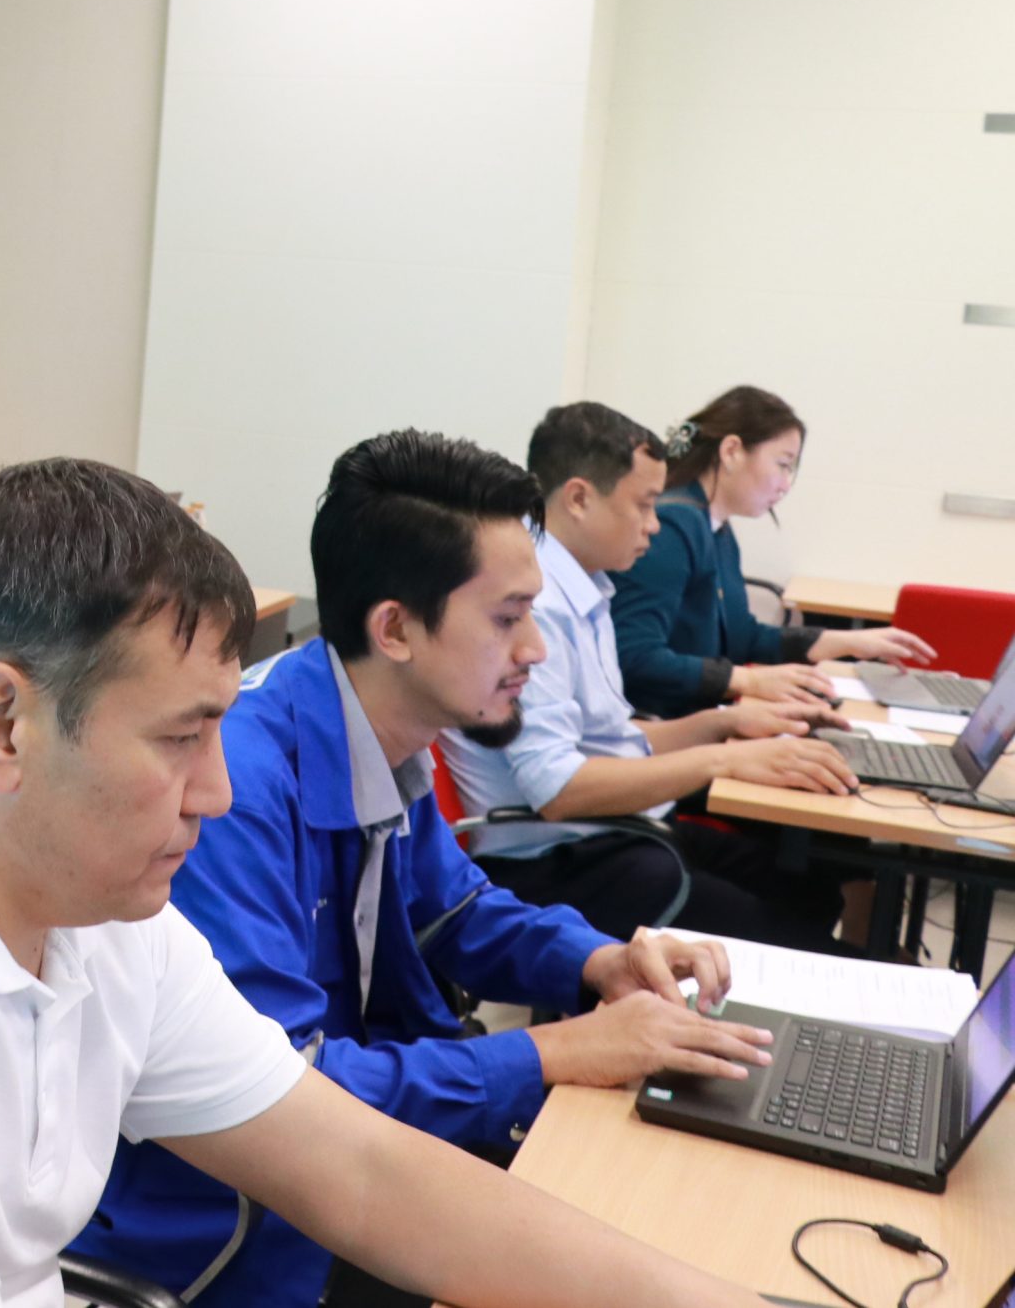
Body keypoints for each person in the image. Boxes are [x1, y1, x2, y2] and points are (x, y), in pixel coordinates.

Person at [0, 458, 772, 1308]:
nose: (218, 793)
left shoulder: (94, 908)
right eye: (181, 739)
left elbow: (360, 1174)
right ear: (2, 726)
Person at [80, 431, 772, 1308]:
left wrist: (597, 961)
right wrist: (552, 1049)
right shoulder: (238, 789)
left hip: (366, 1167)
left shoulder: (382, 731)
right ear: (396, 628)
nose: (536, 649)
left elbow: (457, 910)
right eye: (508, 617)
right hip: (254, 1230)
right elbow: (289, 1090)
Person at [440, 403, 860, 949]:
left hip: (613, 831)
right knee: (806, 942)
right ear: (579, 499)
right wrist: (723, 758)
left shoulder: (583, 586)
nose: (654, 524)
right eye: (643, 505)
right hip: (559, 859)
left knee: (812, 892)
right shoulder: (536, 605)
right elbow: (557, 789)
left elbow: (606, 738)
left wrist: (724, 724)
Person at [609, 387, 932, 719]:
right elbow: (635, 656)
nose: (785, 484)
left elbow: (742, 636)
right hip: (662, 727)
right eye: (782, 465)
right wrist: (747, 680)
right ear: (731, 451)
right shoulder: (672, 527)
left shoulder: (715, 527)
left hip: (698, 716)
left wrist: (846, 642)